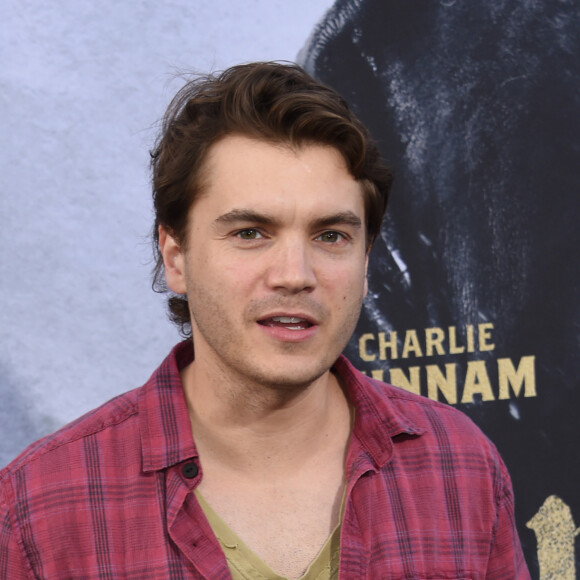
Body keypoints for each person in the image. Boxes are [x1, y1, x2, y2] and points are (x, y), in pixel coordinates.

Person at [0, 62, 530, 579]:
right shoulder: (40, 507)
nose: (295, 275)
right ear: (176, 256)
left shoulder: (460, 467)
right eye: (251, 232)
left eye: (330, 236)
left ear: (366, 263)